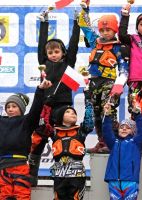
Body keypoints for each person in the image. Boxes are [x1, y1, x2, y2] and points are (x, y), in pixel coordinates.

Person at [29, 8, 81, 186]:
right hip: (45, 109)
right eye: (50, 52)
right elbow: (41, 43)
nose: (53, 54)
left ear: (63, 53)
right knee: (37, 141)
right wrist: (44, 23)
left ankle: (63, 174)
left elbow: (74, 44)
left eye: (56, 51)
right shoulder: (43, 64)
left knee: (62, 143)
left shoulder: (68, 64)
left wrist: (76, 22)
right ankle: (32, 175)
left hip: (62, 108)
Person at [78, 0, 130, 153]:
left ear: (115, 30)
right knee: (95, 113)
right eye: (103, 29)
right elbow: (84, 26)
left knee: (108, 111)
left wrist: (118, 86)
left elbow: (124, 69)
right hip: (93, 82)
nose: (105, 32)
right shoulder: (95, 42)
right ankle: (101, 141)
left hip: (109, 83)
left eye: (109, 29)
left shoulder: (118, 47)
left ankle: (110, 141)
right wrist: (85, 10)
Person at [0, 80, 52, 200]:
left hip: (20, 165)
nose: (10, 109)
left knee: (22, 195)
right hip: (2, 167)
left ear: (22, 109)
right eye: (8, 107)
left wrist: (40, 90)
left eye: (14, 106)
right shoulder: (1, 121)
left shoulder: (26, 121)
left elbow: (36, 109)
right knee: (3, 195)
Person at [49, 94, 94, 200]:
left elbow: (89, 122)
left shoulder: (81, 131)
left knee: (75, 198)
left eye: (74, 112)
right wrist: (47, 104)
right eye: (68, 112)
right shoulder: (55, 132)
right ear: (60, 117)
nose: (72, 113)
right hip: (59, 173)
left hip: (77, 173)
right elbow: (42, 125)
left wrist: (88, 101)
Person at [102, 102, 142, 199]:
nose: (124, 129)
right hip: (113, 180)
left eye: (128, 128)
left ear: (133, 130)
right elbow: (106, 132)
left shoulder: (136, 142)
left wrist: (138, 114)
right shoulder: (114, 142)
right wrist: (107, 115)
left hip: (130, 180)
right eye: (121, 127)